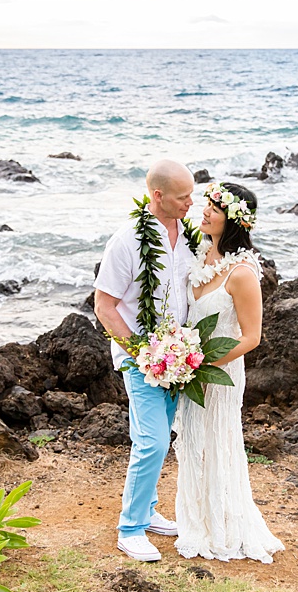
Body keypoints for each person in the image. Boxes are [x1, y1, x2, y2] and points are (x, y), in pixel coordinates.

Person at [173, 181, 284, 563]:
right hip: (191, 371)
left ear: (232, 221)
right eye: (206, 205)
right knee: (192, 441)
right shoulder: (200, 255)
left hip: (220, 373)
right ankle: (195, 517)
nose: (204, 211)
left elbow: (251, 337)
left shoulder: (242, 273)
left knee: (217, 441)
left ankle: (222, 524)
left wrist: (203, 364)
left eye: (213, 209)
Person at [94, 160, 197, 562]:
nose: (191, 202)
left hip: (181, 359)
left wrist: (182, 353)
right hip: (142, 361)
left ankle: (148, 511)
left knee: (160, 436)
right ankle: (130, 529)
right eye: (182, 196)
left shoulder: (188, 235)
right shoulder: (126, 240)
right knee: (152, 441)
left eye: (192, 193)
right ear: (158, 196)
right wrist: (143, 354)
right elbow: (105, 305)